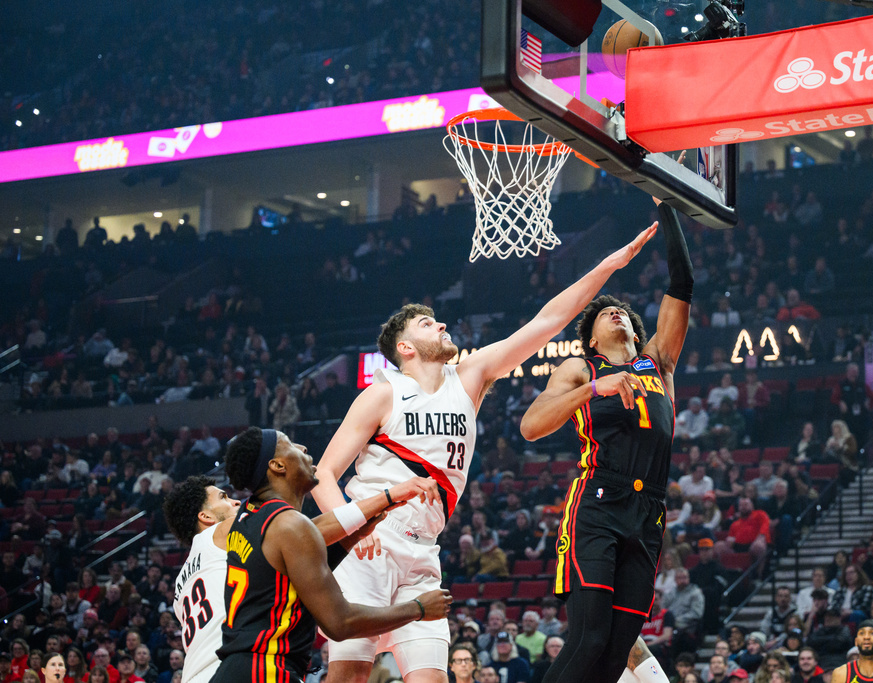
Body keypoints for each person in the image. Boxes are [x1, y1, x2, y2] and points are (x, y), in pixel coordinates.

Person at [312, 227, 658, 683]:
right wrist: (352, 524)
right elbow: (323, 474)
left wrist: (608, 266)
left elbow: (546, 322)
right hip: (370, 543)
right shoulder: (384, 392)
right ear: (405, 347)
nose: (440, 324)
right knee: (349, 678)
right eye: (426, 324)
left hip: (423, 554)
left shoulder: (470, 376)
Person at [518, 200, 693, 683]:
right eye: (605, 313)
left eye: (621, 312)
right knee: (589, 638)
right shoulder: (581, 369)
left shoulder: (657, 363)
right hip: (598, 501)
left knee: (616, 655)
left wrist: (668, 207)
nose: (615, 312)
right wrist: (595, 388)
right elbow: (531, 426)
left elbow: (683, 284)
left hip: (650, 511)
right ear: (592, 341)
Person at [210, 428, 453, 683]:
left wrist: (352, 537)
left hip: (237, 669)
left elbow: (294, 569)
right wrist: (418, 608)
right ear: (278, 465)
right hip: (266, 670)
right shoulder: (289, 524)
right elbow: (340, 624)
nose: (303, 448)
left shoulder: (248, 518)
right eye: (291, 445)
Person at [163, 471, 439, 683]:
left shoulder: (182, 585)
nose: (234, 500)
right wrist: (388, 497)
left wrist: (352, 537)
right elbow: (302, 530)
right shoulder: (221, 532)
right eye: (222, 497)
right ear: (206, 517)